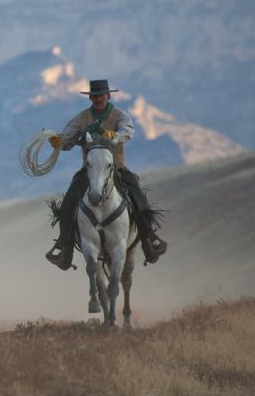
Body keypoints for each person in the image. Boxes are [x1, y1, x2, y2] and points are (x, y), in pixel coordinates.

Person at [45, 79, 167, 270]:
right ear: (91, 98)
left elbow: (128, 131)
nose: (98, 99)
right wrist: (58, 141)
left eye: (101, 95)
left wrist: (114, 136)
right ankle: (64, 247)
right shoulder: (81, 118)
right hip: (89, 170)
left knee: (138, 197)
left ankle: (148, 239)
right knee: (68, 203)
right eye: (95, 96)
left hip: (116, 168)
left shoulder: (120, 116)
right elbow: (67, 139)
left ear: (108, 96)